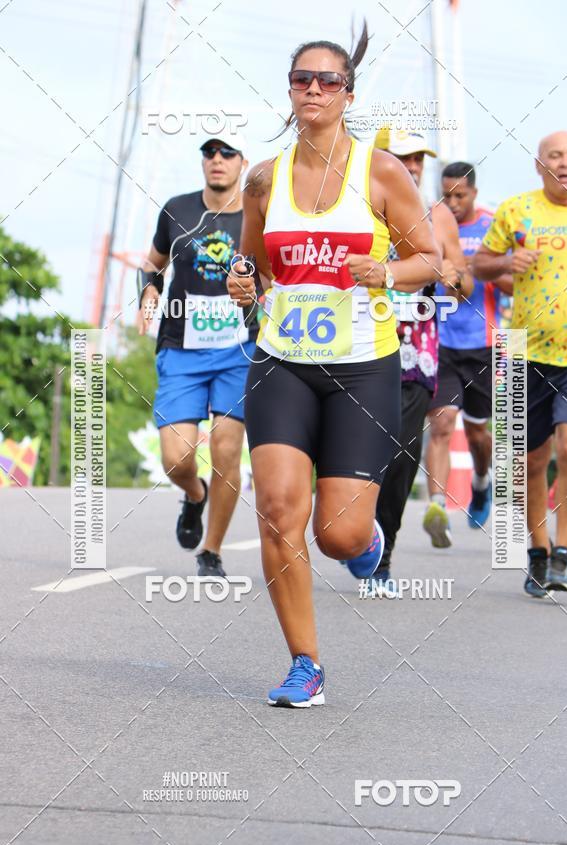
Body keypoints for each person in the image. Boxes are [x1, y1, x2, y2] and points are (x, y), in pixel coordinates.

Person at [226, 26, 441, 707]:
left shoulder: (380, 172)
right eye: (302, 80)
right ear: (290, 92)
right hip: (281, 362)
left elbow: (430, 260)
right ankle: (305, 665)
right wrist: (242, 282)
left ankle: (364, 535)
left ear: (350, 94)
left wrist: (387, 270)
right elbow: (254, 263)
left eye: (328, 81)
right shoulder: (264, 178)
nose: (314, 90)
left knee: (336, 533)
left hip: (361, 367)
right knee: (279, 509)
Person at [473, 131, 567, 595]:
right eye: (555, 156)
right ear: (539, 165)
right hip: (520, 349)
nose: (565, 163)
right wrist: (506, 260)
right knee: (527, 461)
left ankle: (564, 554)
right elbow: (480, 266)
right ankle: (538, 552)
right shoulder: (515, 210)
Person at [136, 130, 257, 578]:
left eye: (227, 152)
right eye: (209, 152)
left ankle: (212, 550)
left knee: (227, 449)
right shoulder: (178, 210)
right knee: (177, 459)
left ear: (243, 161)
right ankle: (194, 495)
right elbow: (152, 264)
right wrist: (148, 293)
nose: (217, 159)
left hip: (237, 350)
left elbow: (274, 274)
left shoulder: (257, 216)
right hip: (182, 349)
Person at [369, 130, 473, 592]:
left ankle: (382, 556)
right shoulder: (358, 207)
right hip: (356, 345)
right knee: (356, 449)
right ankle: (350, 529)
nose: (411, 167)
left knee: (402, 450)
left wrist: (454, 276)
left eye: (418, 160)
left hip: (415, 352)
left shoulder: (438, 215)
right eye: (402, 158)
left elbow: (462, 282)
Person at [423, 161, 513, 544]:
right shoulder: (428, 223)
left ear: (474, 193)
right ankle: (438, 507)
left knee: (478, 435)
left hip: (486, 345)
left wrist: (481, 268)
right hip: (440, 342)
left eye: (459, 195)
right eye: (446, 196)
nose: (453, 203)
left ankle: (481, 482)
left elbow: (515, 285)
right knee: (441, 423)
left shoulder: (494, 225)